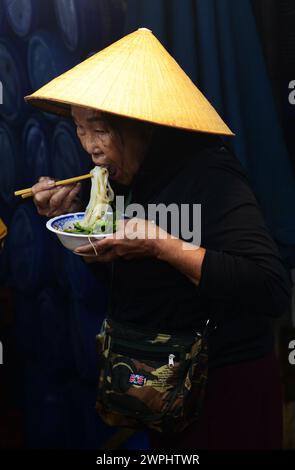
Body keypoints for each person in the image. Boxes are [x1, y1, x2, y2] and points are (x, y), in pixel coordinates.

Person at [27, 28, 291, 449]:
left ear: (143, 126)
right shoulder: (127, 181)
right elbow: (133, 286)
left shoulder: (211, 175)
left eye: (100, 129)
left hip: (224, 387)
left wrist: (163, 244)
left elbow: (271, 287)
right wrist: (81, 233)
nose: (89, 147)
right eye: (79, 128)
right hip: (160, 387)